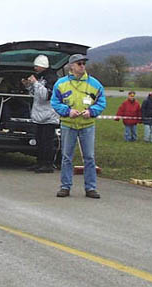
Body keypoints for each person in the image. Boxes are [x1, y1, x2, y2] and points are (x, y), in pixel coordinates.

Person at [51, 54, 106, 199]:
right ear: (71, 66)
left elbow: (101, 101)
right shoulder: (61, 83)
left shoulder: (94, 84)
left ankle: (91, 188)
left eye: (83, 63)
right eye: (79, 63)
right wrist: (68, 111)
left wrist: (92, 111)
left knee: (89, 157)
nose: (82, 66)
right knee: (66, 157)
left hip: (87, 125)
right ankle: (65, 186)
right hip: (68, 125)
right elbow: (55, 102)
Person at [23, 55, 59, 173]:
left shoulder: (52, 79)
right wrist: (28, 85)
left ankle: (47, 164)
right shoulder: (41, 77)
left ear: (42, 65)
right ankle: (39, 162)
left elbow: (46, 96)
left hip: (49, 116)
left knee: (47, 141)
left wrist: (36, 83)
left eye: (36, 66)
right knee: (39, 140)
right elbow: (35, 94)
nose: (34, 68)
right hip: (39, 115)